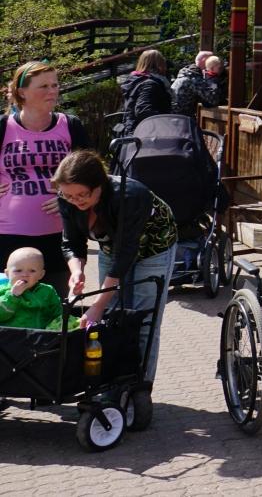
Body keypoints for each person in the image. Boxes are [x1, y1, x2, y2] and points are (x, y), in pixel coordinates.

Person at [54, 149, 177, 392]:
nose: (76, 200)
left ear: (99, 184)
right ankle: (112, 381)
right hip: (112, 246)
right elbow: (71, 243)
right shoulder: (66, 197)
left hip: (154, 247)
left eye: (82, 194)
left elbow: (125, 256)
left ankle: (140, 387)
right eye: (69, 196)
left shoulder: (131, 195)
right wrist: (76, 271)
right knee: (111, 319)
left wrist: (97, 305)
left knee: (144, 319)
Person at [1, 60, 93, 298]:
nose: (52, 91)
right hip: (8, 236)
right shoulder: (3, 127)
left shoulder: (70, 125)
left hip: (59, 235)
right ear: (22, 92)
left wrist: (66, 197)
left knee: (54, 307)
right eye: (43, 86)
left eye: (55, 85)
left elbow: (91, 173)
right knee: (9, 309)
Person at [0, 245, 65, 329]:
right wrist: (13, 296)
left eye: (32, 271)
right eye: (18, 270)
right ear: (7, 273)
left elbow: (58, 313)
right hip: (11, 338)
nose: (25, 275)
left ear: (41, 274)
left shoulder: (47, 291)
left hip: (40, 337)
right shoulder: (3, 290)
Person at [117, 48, 173, 132]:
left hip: (131, 128)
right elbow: (143, 111)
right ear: (160, 64)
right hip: (146, 134)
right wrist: (165, 123)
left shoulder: (135, 80)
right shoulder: (150, 84)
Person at [171, 51, 223, 119]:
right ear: (206, 62)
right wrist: (214, 82)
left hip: (173, 116)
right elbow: (213, 100)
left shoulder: (186, 73)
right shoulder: (194, 78)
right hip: (182, 119)